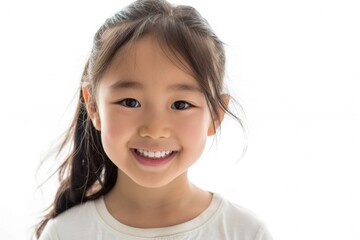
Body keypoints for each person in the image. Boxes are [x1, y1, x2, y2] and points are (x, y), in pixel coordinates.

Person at [36, 0, 272, 239]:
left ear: (215, 115)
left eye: (181, 104)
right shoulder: (65, 233)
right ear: (94, 107)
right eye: (130, 102)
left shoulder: (244, 232)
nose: (155, 129)